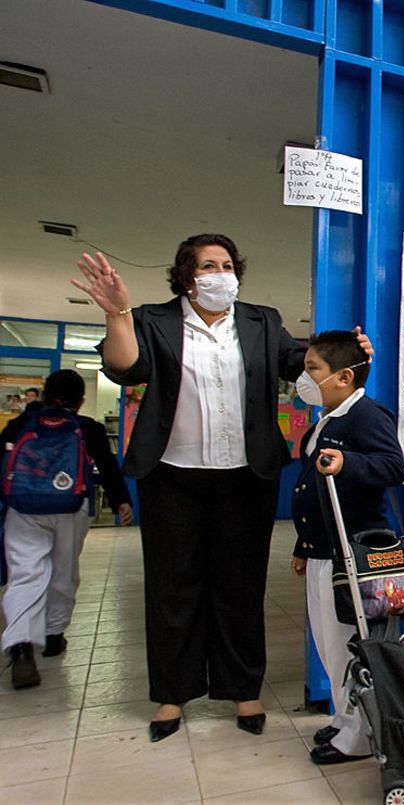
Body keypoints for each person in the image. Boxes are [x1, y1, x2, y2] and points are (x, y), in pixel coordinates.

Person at [71, 235, 372, 743]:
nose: (220, 272)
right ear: (187, 275)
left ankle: (242, 690)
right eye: (208, 265)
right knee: (172, 587)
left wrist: (350, 357)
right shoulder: (153, 319)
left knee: (239, 585)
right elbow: (125, 368)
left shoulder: (260, 321)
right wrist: (118, 313)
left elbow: (302, 372)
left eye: (228, 264)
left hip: (244, 476)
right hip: (172, 475)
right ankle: (172, 693)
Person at [289, 331, 404, 764]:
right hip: (322, 549)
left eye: (313, 369)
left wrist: (349, 463)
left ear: (342, 377)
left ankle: (358, 736)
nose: (305, 377)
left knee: (350, 643)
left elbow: (393, 466)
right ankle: (345, 717)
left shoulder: (366, 415)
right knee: (329, 643)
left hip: (351, 554)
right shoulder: (328, 416)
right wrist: (304, 545)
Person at [1, 370, 133, 689]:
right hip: (71, 508)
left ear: (45, 394)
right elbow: (109, 465)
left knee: (25, 574)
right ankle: (54, 635)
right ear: (82, 399)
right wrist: (120, 502)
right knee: (63, 571)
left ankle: (21, 648)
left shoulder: (21, 424)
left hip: (23, 508)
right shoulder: (89, 428)